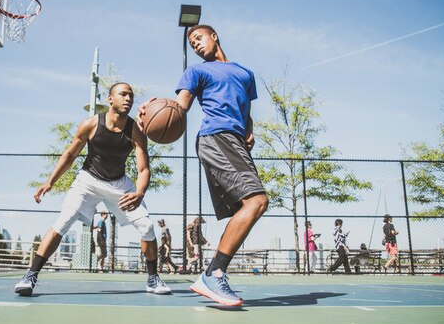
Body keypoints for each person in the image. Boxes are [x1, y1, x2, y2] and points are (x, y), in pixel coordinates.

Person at [138, 24, 269, 306]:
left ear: (215, 36)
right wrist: (149, 110)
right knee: (257, 201)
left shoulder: (246, 74)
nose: (196, 45)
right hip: (216, 137)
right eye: (192, 43)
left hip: (234, 140)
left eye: (199, 38)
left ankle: (214, 274)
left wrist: (249, 129)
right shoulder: (197, 72)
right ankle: (214, 274)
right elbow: (178, 107)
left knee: (247, 209)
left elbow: (246, 108)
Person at [14, 82, 171, 296]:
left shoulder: (135, 130)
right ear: (110, 99)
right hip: (88, 180)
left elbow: (143, 169)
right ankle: (30, 276)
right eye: (123, 94)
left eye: (131, 96)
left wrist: (139, 192)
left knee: (147, 226)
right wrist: (50, 181)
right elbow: (70, 154)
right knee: (63, 221)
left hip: (119, 183)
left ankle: (153, 279)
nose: (128, 99)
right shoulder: (90, 124)